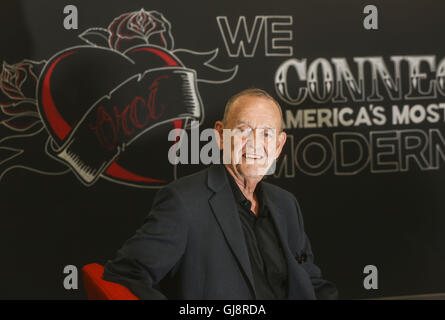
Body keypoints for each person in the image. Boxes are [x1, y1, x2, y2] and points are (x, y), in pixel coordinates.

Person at [102, 88, 338, 299]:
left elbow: (311, 282)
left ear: (278, 145)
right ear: (220, 135)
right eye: (244, 131)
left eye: (266, 134)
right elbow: (126, 274)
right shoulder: (184, 202)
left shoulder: (286, 204)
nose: (255, 143)